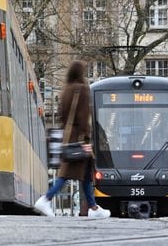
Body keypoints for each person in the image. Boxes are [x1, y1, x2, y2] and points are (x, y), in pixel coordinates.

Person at [34, 60, 111, 219]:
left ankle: (93, 208)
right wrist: (86, 138)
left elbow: (62, 115)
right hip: (79, 139)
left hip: (68, 137)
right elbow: (83, 117)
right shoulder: (81, 90)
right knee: (67, 175)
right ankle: (46, 198)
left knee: (85, 175)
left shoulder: (66, 90)